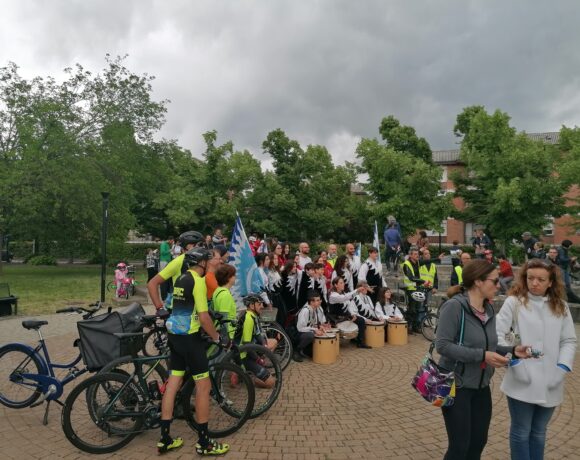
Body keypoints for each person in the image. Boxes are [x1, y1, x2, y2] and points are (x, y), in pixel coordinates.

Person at [436, 259, 531, 460]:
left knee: (478, 442)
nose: (499, 285)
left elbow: (488, 346)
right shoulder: (454, 307)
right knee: (459, 446)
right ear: (478, 281)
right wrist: (482, 356)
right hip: (456, 386)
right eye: (494, 281)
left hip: (481, 386)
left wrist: (513, 350)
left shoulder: (488, 310)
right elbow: (442, 346)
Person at [496, 259, 577, 460]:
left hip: (552, 379)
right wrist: (515, 362)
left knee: (539, 432)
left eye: (541, 279)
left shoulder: (561, 306)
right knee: (521, 432)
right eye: (530, 278)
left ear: (550, 282)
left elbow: (568, 340)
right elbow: (497, 335)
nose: (534, 283)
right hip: (520, 379)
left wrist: (561, 368)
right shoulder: (514, 302)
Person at [157, 247, 229, 456]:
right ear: (202, 263)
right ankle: (204, 443)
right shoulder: (197, 282)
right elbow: (204, 317)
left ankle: (165, 438)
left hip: (175, 337)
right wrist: (218, 338)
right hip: (190, 339)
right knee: (203, 387)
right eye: (208, 260)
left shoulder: (181, 279)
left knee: (173, 384)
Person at [148, 231, 204, 310]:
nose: (203, 248)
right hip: (180, 311)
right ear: (189, 246)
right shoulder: (178, 262)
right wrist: (159, 308)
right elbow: (152, 283)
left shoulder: (202, 261)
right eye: (200, 245)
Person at [234, 294, 277, 388]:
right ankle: (248, 378)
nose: (262, 306)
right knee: (271, 383)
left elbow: (257, 334)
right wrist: (258, 359)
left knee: (272, 342)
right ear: (251, 305)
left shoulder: (253, 315)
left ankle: (253, 371)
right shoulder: (249, 319)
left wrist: (264, 345)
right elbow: (247, 345)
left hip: (249, 351)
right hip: (243, 356)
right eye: (259, 304)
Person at [328, 277, 368, 346]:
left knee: (361, 320)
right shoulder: (333, 295)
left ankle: (360, 342)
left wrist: (352, 314)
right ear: (335, 285)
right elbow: (343, 298)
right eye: (341, 283)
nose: (343, 284)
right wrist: (357, 290)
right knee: (360, 320)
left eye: (343, 282)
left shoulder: (343, 293)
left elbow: (348, 305)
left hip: (345, 316)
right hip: (336, 318)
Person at [294, 290, 331, 362]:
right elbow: (300, 328)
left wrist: (322, 326)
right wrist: (314, 330)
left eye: (319, 299)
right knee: (310, 335)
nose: (320, 301)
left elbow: (315, 323)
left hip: (307, 332)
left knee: (315, 353)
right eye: (317, 300)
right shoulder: (306, 311)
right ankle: (296, 350)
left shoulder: (317, 308)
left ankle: (306, 350)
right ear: (311, 302)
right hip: (297, 334)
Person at [402, 247, 425, 332]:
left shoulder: (417, 263)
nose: (417, 256)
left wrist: (438, 258)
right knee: (412, 309)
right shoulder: (406, 264)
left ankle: (416, 326)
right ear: (410, 255)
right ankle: (409, 326)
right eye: (415, 254)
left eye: (417, 254)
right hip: (410, 289)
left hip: (418, 288)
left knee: (418, 308)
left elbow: (427, 261)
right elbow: (411, 277)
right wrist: (423, 281)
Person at [212, 264, 237, 339]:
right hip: (227, 334)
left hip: (222, 331)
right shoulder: (225, 294)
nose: (235, 277)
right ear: (228, 278)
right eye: (234, 275)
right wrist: (226, 339)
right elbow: (224, 318)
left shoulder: (218, 290)